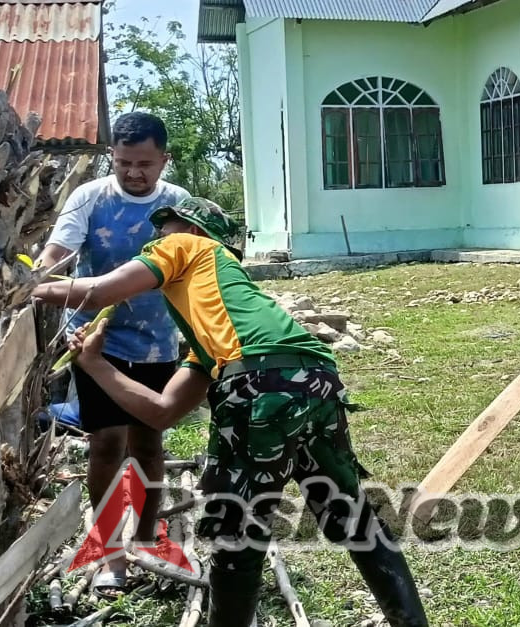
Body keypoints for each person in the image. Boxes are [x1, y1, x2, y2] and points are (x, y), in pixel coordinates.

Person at [32, 197, 430, 627]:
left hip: (259, 383)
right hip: (316, 379)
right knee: (351, 517)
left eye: (165, 229)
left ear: (195, 232)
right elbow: (161, 412)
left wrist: (26, 284)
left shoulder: (188, 246)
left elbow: (98, 291)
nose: (155, 242)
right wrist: (94, 364)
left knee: (236, 533)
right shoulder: (223, 327)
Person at [36, 111, 190, 596]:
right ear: (112, 158)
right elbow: (57, 254)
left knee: (148, 443)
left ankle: (145, 536)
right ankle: (109, 551)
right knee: (106, 443)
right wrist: (38, 273)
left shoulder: (178, 204)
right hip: (94, 341)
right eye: (124, 162)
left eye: (145, 163)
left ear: (164, 159)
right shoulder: (90, 197)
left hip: (158, 342)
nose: (134, 173)